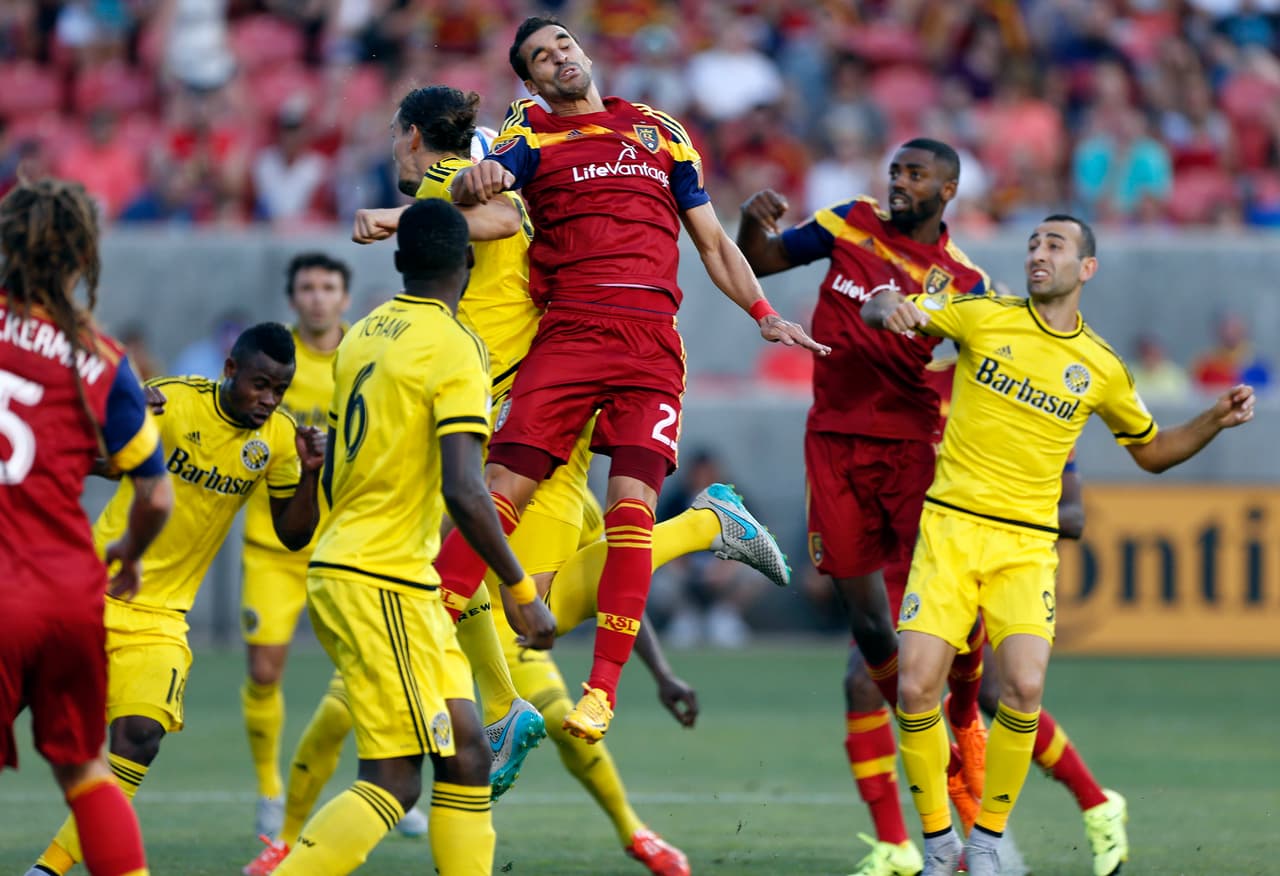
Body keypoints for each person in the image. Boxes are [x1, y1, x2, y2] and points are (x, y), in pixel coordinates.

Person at [246, 84, 791, 876]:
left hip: (524, 412)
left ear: (409, 138)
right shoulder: (494, 175)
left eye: (391, 142)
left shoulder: (464, 182)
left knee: (500, 599)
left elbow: (500, 219)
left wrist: (402, 219)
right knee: (496, 609)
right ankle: (493, 724)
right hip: (510, 407)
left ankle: (701, 529)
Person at [446, 14, 826, 744]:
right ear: (530, 81)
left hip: (651, 342)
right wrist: (476, 177)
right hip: (569, 338)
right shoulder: (529, 133)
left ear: (583, 53)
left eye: (564, 45)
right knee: (500, 495)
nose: (559, 59)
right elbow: (488, 190)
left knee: (629, 515)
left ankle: (602, 693)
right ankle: (433, 612)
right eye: (541, 58)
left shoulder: (659, 130)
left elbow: (712, 240)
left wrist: (764, 312)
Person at [862, 214, 1254, 875]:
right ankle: (937, 847)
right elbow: (882, 309)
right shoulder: (980, 314)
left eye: (1056, 245)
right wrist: (886, 304)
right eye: (1033, 244)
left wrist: (1213, 419)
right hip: (952, 531)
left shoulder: (1100, 366)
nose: (1039, 254)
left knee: (1022, 687)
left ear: (1086, 268)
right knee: (916, 688)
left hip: (1025, 547)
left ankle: (984, 842)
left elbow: (1152, 452)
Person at [267, 199, 550, 876]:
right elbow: (464, 486)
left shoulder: (360, 333)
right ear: (470, 261)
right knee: (393, 780)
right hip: (382, 575)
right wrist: (517, 586)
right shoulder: (457, 346)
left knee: (470, 756)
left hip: (383, 573)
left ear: (398, 260)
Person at [736, 140, 991, 876]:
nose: (899, 184)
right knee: (867, 626)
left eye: (915, 176)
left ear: (947, 190)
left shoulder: (968, 281)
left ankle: (963, 727)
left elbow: (973, 358)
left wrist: (905, 314)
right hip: (833, 442)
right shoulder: (849, 222)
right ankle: (931, 752)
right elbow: (764, 261)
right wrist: (751, 223)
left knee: (943, 616)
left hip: (913, 452)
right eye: (896, 172)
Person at [27, 322, 325, 876]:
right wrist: (116, 418)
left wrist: (310, 475)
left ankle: (49, 869)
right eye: (260, 385)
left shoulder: (280, 438)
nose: (269, 400)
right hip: (89, 587)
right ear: (230, 369)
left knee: (140, 737)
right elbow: (94, 460)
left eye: (279, 390)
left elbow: (293, 533)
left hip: (162, 614)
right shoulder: (176, 401)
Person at [1, 178, 173, 876]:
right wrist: (129, 556)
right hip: (71, 594)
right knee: (85, 771)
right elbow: (156, 496)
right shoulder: (102, 361)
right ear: (81, 256)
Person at [236, 253, 429, 838]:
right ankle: (271, 790)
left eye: (328, 287)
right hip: (272, 546)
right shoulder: (271, 362)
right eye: (307, 288)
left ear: (344, 298)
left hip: (345, 545)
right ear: (293, 297)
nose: (318, 297)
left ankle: (383, 784)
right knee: (265, 670)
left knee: (365, 674)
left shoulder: (364, 354)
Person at [975, 455, 1130, 876]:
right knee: (899, 683)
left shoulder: (1047, 413)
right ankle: (920, 843)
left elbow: (1074, 518)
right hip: (941, 555)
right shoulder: (953, 403)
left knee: (995, 691)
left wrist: (989, 513)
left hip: (1006, 566)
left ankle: (1094, 806)